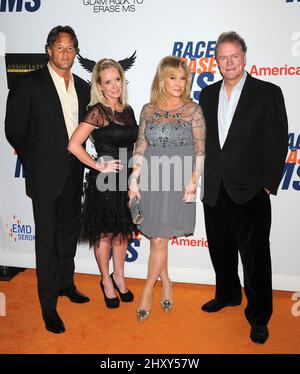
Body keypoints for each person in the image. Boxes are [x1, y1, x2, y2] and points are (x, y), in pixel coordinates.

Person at [199, 31, 288, 344]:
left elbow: (278, 142)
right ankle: (228, 295)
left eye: (234, 56)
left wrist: (267, 185)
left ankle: (259, 316)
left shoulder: (267, 92)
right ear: (217, 61)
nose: (229, 62)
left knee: (255, 258)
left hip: (250, 190)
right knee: (221, 251)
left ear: (244, 57)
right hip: (215, 189)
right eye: (223, 57)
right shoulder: (207, 95)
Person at [5, 26, 91, 334]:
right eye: (60, 47)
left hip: (74, 174)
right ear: (48, 50)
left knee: (68, 234)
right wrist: (36, 162)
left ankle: (66, 284)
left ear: (75, 53)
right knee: (46, 240)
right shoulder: (28, 83)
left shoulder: (82, 86)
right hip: (44, 176)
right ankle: (48, 306)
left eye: (71, 48)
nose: (65, 53)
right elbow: (13, 128)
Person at [129, 56, 206, 321]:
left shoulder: (192, 110)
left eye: (183, 78)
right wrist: (133, 180)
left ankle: (147, 291)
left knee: (160, 238)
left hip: (178, 178)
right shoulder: (148, 109)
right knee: (157, 237)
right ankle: (167, 281)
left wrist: (193, 182)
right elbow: (141, 145)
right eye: (173, 77)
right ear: (162, 79)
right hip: (152, 177)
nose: (178, 83)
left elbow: (200, 150)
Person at [68, 59, 138, 309]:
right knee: (106, 234)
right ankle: (106, 281)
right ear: (99, 85)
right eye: (108, 81)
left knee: (122, 233)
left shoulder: (127, 110)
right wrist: (98, 165)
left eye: (117, 79)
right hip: (106, 182)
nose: (114, 85)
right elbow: (74, 145)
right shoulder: (97, 111)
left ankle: (119, 277)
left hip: (127, 181)